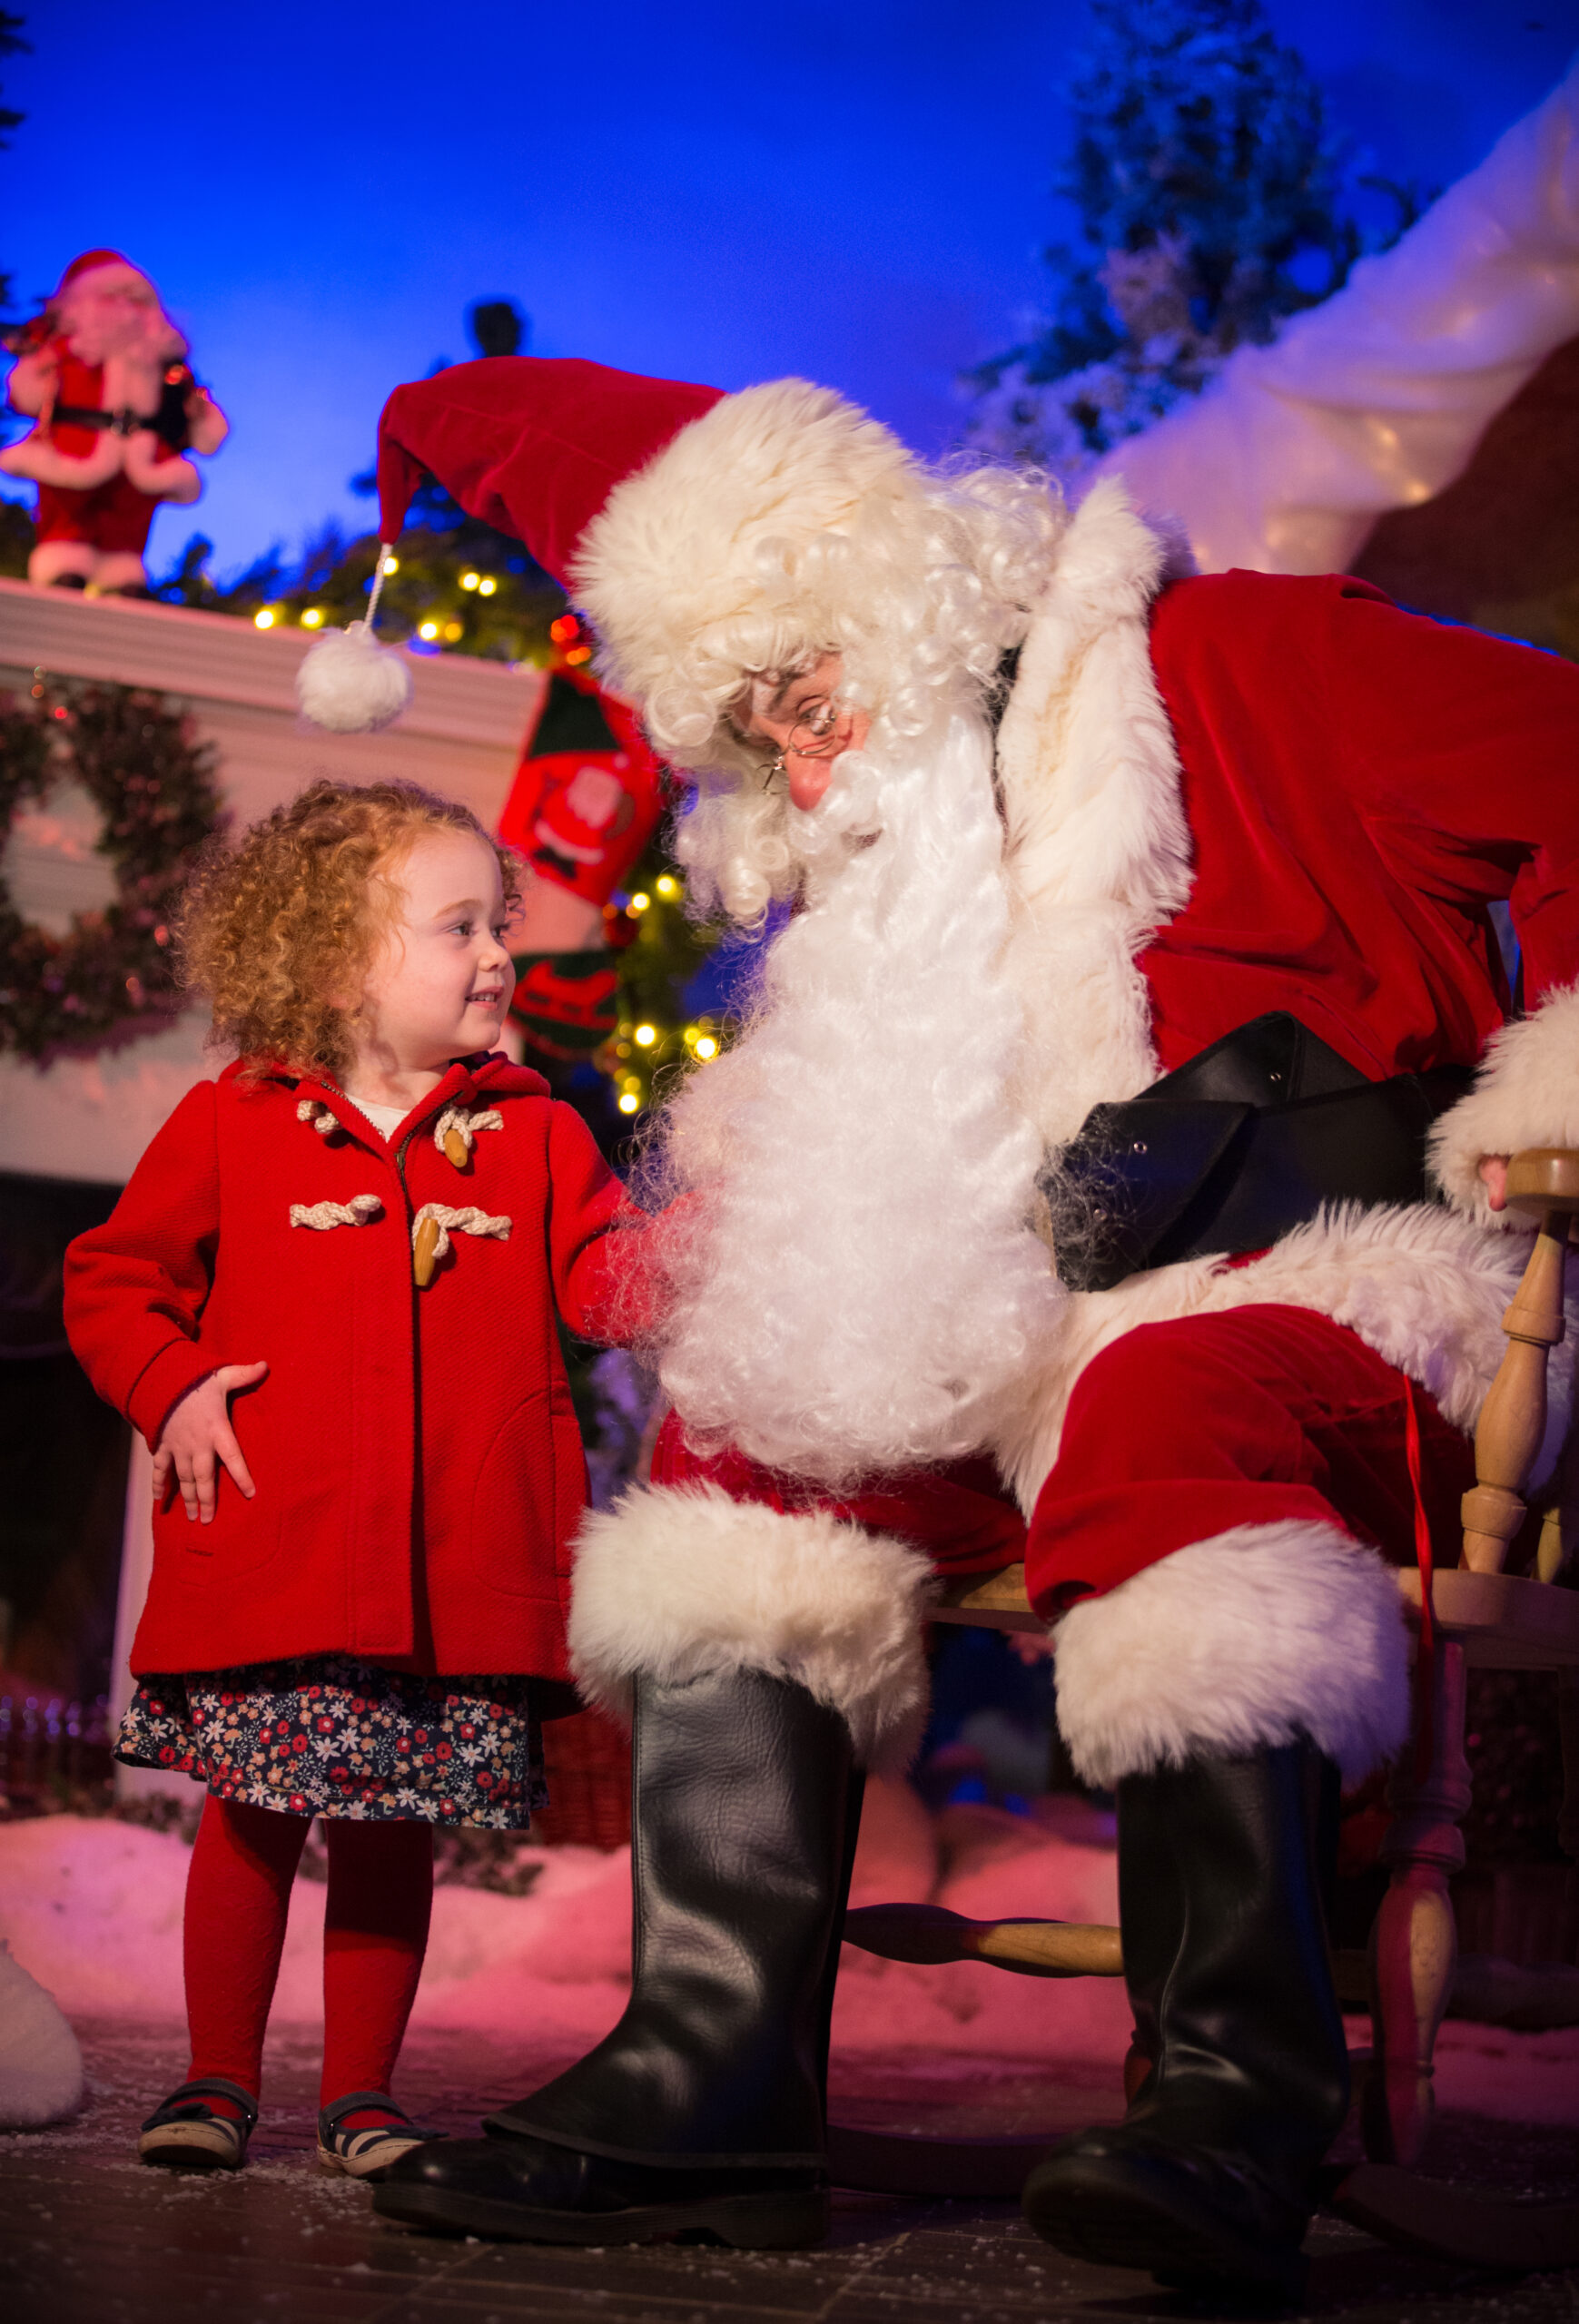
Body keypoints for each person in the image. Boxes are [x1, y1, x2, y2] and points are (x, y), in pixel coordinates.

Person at [328, 359, 1577, 2293]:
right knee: (746, 1441)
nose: (797, 764)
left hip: (1314, 1292)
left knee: (1165, 1389)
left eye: (801, 689)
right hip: (1023, 1339)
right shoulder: (880, 864)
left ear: (903, 589)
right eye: (750, 729)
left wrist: (1547, 1093)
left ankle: (1229, 2091)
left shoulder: (1246, 664)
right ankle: (712, 2069)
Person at [64, 778, 630, 2179]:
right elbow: (114, 1280)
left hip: (453, 1573)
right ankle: (212, 2083)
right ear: (337, 962)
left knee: (393, 1834)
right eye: (460, 928)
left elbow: (608, 1282)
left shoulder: (536, 1134)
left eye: (499, 924)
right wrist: (170, 1382)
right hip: (278, 1552)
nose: (500, 953)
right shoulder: (232, 1121)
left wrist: (707, 1228)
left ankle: (363, 2094)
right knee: (251, 1819)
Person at [1, 250, 228, 594]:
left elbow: (193, 403)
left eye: (135, 298)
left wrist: (200, 416)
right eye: (112, 296)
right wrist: (36, 371)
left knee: (128, 519)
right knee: (67, 513)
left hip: (142, 454)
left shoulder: (166, 363)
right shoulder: (63, 350)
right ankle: (64, 567)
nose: (125, 307)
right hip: (74, 446)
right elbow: (25, 395)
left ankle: (123, 574)